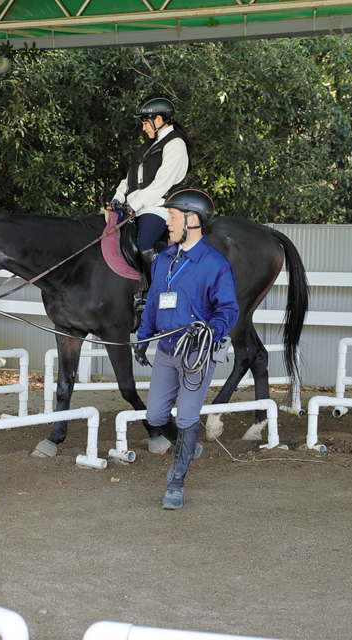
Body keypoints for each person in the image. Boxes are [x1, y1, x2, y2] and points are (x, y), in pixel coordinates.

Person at [132, 188, 239, 510]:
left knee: (187, 417)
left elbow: (229, 310)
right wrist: (143, 337)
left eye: (174, 217)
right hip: (166, 349)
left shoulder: (215, 264)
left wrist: (212, 328)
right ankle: (187, 450)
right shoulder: (164, 258)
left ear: (193, 220)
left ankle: (176, 481)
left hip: (196, 353)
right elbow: (154, 302)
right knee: (155, 415)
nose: (168, 222)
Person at [110, 95, 194, 285]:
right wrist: (116, 198)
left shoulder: (175, 144)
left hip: (159, 207)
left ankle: (155, 290)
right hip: (135, 207)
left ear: (158, 119)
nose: (143, 128)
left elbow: (162, 182)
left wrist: (134, 204)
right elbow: (129, 179)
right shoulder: (147, 147)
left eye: (145, 122)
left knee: (144, 243)